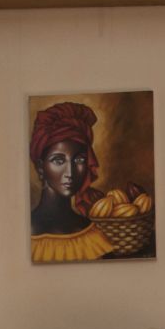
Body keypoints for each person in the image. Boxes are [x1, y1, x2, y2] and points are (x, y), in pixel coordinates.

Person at [28, 100, 116, 263]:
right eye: (58, 160)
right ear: (41, 168)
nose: (70, 173)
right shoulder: (25, 233)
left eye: (79, 160)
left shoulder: (93, 235)